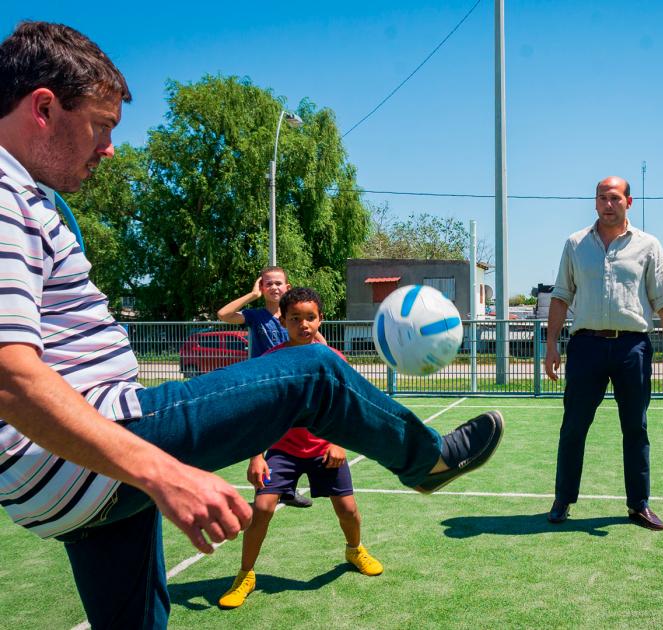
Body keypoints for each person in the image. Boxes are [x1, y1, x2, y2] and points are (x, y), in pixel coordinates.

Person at [0, 21, 504, 629]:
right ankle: (427, 462)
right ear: (45, 108)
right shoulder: (5, 196)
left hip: (80, 476)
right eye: (102, 126)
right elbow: (9, 375)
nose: (110, 148)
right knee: (315, 374)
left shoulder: (35, 199)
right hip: (89, 446)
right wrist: (161, 470)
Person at [219, 288, 383, 609]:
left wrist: (337, 442)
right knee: (263, 508)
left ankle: (354, 549)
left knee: (348, 510)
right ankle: (245, 574)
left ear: (320, 320)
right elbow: (260, 414)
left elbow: (345, 407)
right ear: (282, 320)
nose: (304, 324)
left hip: (325, 448)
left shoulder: (334, 359)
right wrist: (257, 456)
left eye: (310, 318)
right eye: (295, 318)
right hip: (283, 450)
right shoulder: (271, 361)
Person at [543, 176, 663, 531]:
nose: (608, 204)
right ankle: (563, 499)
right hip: (585, 346)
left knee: (636, 427)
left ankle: (639, 504)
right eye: (602, 197)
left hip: (631, 347)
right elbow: (560, 296)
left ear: (628, 203)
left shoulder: (648, 246)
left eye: (615, 198)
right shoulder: (575, 244)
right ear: (595, 202)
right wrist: (551, 345)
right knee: (573, 426)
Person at [218, 269, 315, 508]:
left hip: (290, 382)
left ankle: (287, 489)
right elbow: (224, 314)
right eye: (268, 284)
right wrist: (251, 294)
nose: (274, 287)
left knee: (291, 434)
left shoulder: (295, 315)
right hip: (264, 383)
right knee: (261, 435)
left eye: (278, 283)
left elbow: (316, 337)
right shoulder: (256, 315)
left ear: (287, 287)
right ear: (262, 288)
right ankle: (261, 492)